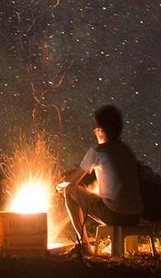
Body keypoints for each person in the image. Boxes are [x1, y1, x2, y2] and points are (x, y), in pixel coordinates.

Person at [56, 104, 143, 252]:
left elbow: (72, 183)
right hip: (135, 216)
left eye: (95, 129)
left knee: (69, 192)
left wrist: (61, 186)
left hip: (115, 215)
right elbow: (116, 184)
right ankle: (116, 243)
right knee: (91, 196)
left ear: (101, 130)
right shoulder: (126, 151)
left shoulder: (97, 151)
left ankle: (83, 245)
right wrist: (89, 192)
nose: (95, 132)